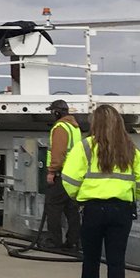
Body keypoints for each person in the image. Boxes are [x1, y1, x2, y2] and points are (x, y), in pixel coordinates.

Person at [61, 105, 140, 278]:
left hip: (92, 210)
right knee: (116, 264)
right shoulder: (132, 150)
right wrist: (129, 196)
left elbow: (70, 180)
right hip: (122, 211)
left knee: (90, 260)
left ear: (95, 124)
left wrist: (80, 197)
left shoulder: (85, 148)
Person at [42, 99, 82, 251]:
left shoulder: (60, 127)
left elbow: (58, 153)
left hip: (61, 174)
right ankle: (73, 241)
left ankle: (54, 241)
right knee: (71, 209)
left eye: (52, 112)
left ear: (57, 112)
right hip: (73, 175)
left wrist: (52, 171)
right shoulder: (75, 127)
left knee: (53, 207)